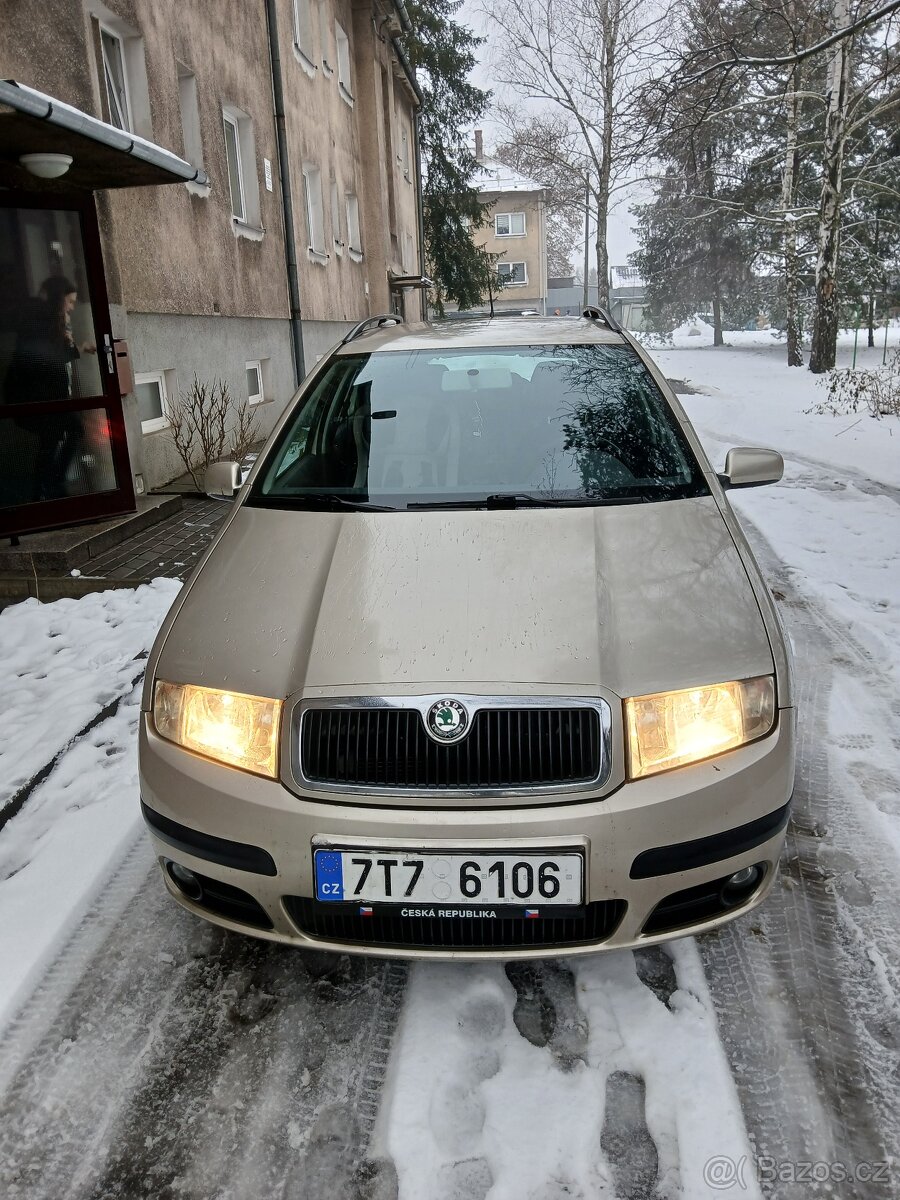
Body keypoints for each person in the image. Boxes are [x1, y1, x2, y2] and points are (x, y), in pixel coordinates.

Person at [5, 276, 96, 500]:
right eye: (71, 301)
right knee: (64, 433)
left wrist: (76, 346)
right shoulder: (43, 320)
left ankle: (45, 489)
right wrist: (72, 345)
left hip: (45, 395)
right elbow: (46, 359)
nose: (72, 307)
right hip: (38, 395)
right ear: (59, 298)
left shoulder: (48, 320)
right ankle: (47, 487)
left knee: (55, 438)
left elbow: (51, 357)